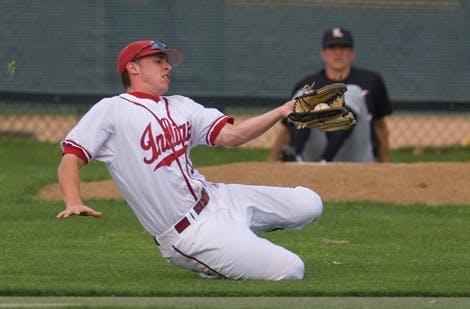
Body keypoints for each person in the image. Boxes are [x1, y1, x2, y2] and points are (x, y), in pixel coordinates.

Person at [55, 40, 323, 280]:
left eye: (167, 62)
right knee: (291, 270)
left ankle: (236, 245)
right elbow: (71, 158)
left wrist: (283, 110)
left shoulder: (181, 105)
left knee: (311, 203)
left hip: (219, 198)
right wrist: (74, 201)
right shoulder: (111, 110)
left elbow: (233, 136)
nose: (167, 67)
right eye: (158, 61)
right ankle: (224, 254)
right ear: (133, 68)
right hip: (190, 233)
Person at [269, 27, 392, 163]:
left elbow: (380, 126)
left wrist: (385, 164)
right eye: (332, 47)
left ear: (352, 53)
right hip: (314, 154)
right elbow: (287, 129)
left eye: (343, 47)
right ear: (323, 54)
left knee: (352, 92)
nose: (338, 53)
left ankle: (325, 161)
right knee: (304, 94)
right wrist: (271, 165)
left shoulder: (371, 80)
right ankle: (298, 156)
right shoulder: (307, 83)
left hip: (357, 156)